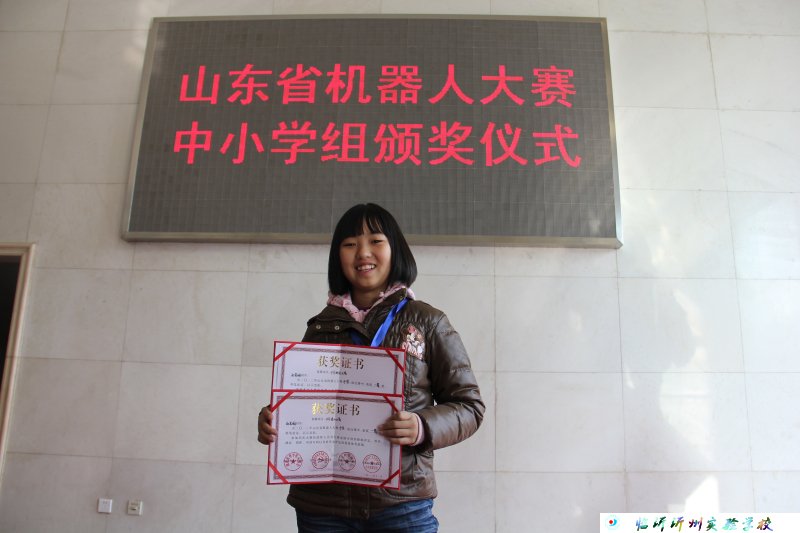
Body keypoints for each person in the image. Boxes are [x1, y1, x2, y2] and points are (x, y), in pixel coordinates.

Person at [258, 203, 485, 533]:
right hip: (322, 506)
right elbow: (302, 403)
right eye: (350, 244)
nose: (363, 252)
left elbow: (470, 406)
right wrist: (273, 419)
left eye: (376, 240)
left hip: (401, 503)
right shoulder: (319, 327)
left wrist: (422, 426)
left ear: (396, 250)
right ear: (338, 257)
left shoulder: (427, 322)